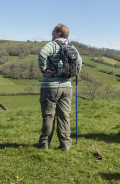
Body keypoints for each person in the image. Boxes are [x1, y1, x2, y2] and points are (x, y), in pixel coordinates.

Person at [34, 23, 83, 152]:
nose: (51, 34)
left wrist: (44, 69)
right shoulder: (72, 47)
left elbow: (42, 54)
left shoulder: (52, 45)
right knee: (64, 116)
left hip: (50, 86)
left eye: (53, 32)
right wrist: (73, 72)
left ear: (58, 33)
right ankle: (65, 145)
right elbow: (80, 63)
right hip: (67, 87)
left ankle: (44, 144)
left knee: (48, 116)